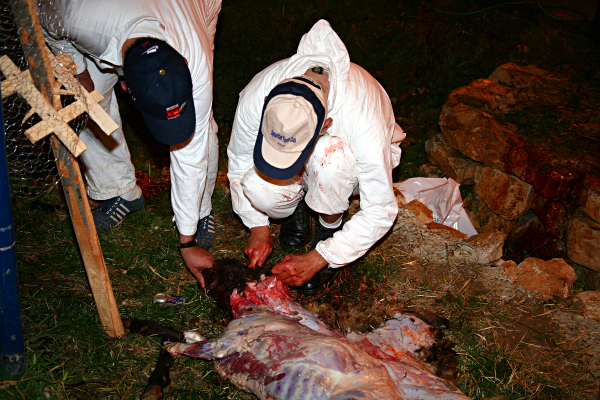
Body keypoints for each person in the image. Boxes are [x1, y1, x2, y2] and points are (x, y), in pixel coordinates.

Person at [38, 0, 221, 286]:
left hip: (197, 6)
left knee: (200, 126)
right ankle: (119, 189)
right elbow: (50, 27)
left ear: (184, 65)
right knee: (82, 99)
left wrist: (187, 241)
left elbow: (190, 153)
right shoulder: (74, 13)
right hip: (107, 19)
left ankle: (199, 211)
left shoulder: (193, 58)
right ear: (127, 89)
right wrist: (78, 71)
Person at [227, 20, 405, 295]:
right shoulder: (257, 93)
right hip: (315, 161)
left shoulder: (363, 116)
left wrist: (321, 257)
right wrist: (257, 225)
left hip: (348, 164)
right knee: (256, 184)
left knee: (329, 155)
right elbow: (239, 161)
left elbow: (380, 209)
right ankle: (297, 207)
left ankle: (328, 225)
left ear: (325, 123)